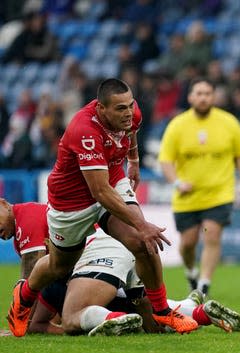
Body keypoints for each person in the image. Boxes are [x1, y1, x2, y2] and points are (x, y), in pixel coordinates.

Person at [6, 78, 198, 337]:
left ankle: (163, 311)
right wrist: (142, 223)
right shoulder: (83, 130)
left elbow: (130, 131)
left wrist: (134, 160)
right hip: (71, 202)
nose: (128, 112)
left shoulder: (130, 113)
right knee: (59, 267)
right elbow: (100, 192)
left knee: (142, 242)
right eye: (120, 109)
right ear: (101, 109)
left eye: (130, 105)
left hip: (111, 178)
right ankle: (25, 294)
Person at [0, 198, 240, 335]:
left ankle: (115, 320)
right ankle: (196, 310)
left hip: (102, 248)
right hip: (112, 254)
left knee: (74, 315)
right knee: (148, 321)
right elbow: (36, 317)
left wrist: (17, 325)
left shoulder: (27, 219)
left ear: (3, 203)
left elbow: (30, 278)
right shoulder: (31, 232)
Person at [158, 78, 240, 296]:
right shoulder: (177, 125)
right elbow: (165, 160)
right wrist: (177, 182)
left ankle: (203, 285)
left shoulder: (228, 122)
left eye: (207, 93)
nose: (203, 98)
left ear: (214, 96)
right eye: (199, 93)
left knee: (211, 236)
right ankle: (191, 271)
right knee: (188, 243)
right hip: (187, 196)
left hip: (218, 194)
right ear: (191, 97)